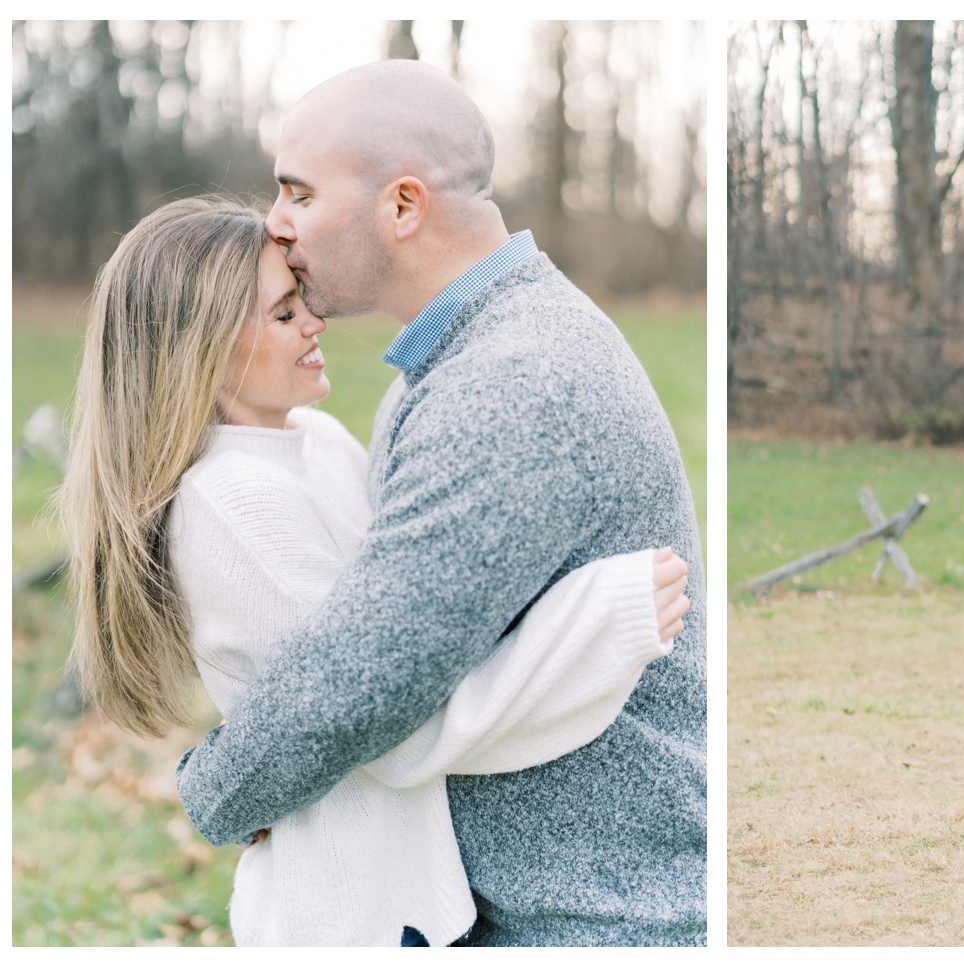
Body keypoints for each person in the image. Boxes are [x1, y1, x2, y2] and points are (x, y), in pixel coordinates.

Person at [60, 197, 692, 946]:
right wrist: (596, 624)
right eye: (285, 313)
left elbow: (415, 632)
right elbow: (390, 720)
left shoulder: (314, 439)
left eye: (301, 300)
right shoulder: (231, 503)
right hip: (349, 910)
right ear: (207, 345)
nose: (315, 322)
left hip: (413, 891)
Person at [171, 61, 707, 945]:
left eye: (298, 193)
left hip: (596, 920)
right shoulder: (472, 355)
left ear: (403, 207)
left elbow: (362, 685)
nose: (275, 221)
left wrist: (219, 789)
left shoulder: (509, 383)